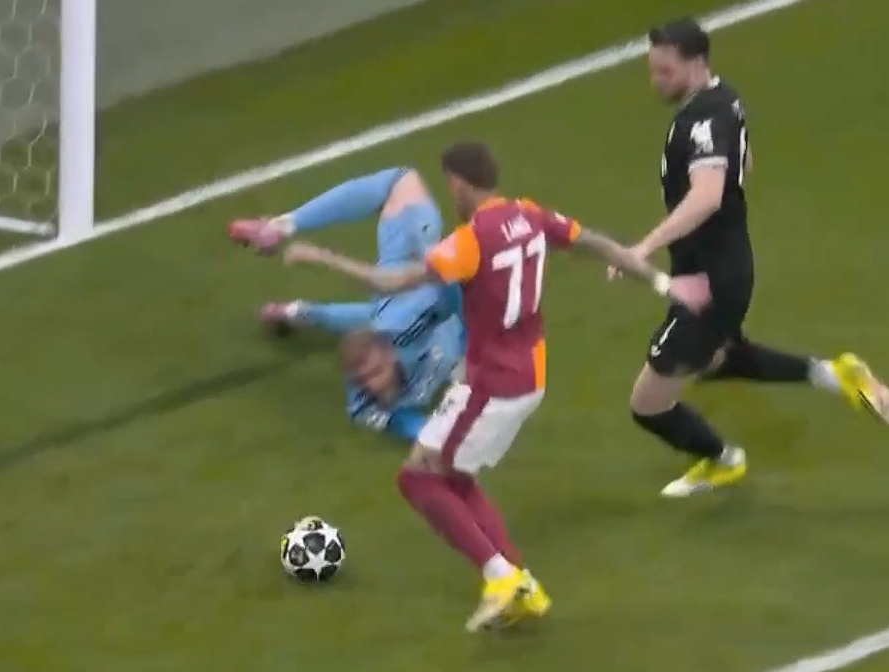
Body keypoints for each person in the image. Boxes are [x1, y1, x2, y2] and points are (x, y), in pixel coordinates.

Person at [283, 142, 703, 632]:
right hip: (529, 376)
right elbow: (598, 244)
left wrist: (321, 257)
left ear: (459, 183)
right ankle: (520, 584)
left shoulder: (470, 241)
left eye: (450, 186)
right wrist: (661, 283)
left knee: (417, 479)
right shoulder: (531, 216)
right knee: (455, 478)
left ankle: (500, 578)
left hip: (492, 384)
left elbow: (393, 282)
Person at [609, 17, 887, 498]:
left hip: (710, 282)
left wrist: (642, 248)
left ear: (696, 63)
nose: (656, 81)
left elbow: (707, 195)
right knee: (718, 358)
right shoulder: (725, 99)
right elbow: (745, 163)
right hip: (723, 267)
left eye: (665, 71)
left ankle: (723, 461)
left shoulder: (703, 118)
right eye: (653, 70)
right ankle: (834, 374)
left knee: (647, 404)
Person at [230, 167, 465, 441]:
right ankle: (279, 246)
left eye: (374, 373)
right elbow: (419, 429)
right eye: (365, 379)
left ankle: (278, 233)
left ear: (389, 352)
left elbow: (452, 290)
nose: (373, 386)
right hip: (410, 308)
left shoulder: (411, 323)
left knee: (401, 183)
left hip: (408, 281)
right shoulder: (363, 401)